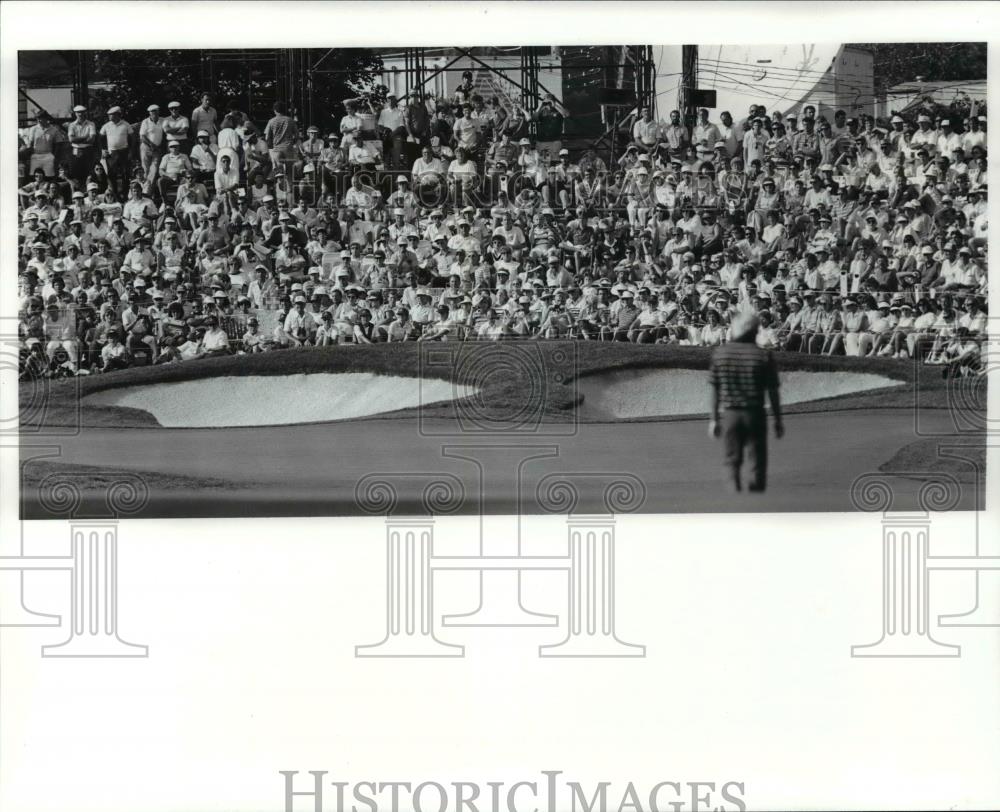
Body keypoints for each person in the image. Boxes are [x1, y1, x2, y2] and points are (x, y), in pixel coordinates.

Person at [708, 312, 784, 493]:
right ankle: (755, 492)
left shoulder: (721, 353)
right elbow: (772, 390)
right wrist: (778, 420)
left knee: (731, 457)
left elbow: (714, 389)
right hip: (755, 413)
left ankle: (733, 491)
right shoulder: (763, 355)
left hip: (730, 413)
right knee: (756, 456)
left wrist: (714, 419)